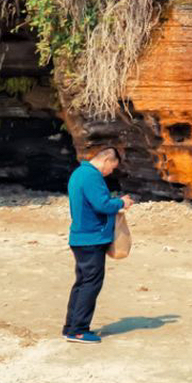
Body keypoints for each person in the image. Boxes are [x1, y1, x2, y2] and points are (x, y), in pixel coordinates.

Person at [64, 144, 135, 344]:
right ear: (106, 160)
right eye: (112, 167)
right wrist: (121, 203)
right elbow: (101, 204)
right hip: (91, 239)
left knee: (82, 283)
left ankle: (71, 327)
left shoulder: (79, 173)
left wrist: (115, 201)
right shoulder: (92, 176)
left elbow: (95, 201)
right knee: (90, 284)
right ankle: (78, 330)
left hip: (81, 238)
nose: (110, 172)